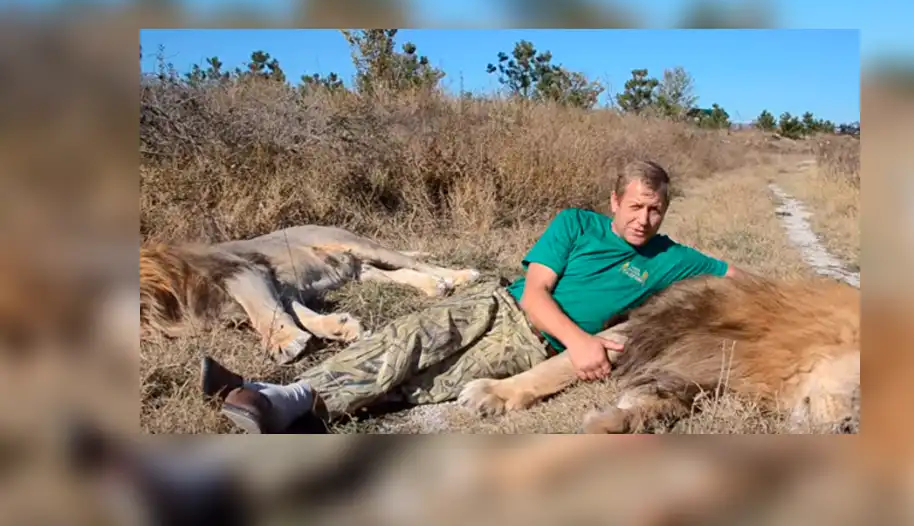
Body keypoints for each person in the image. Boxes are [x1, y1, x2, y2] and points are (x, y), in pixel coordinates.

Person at [201, 159, 742, 433]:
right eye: (635, 207)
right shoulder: (577, 224)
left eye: (655, 211)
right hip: (501, 306)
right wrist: (581, 342)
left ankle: (282, 405)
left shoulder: (672, 257)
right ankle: (281, 398)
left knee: (430, 384)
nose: (644, 220)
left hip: (531, 350)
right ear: (614, 201)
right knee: (409, 339)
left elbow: (737, 277)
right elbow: (535, 294)